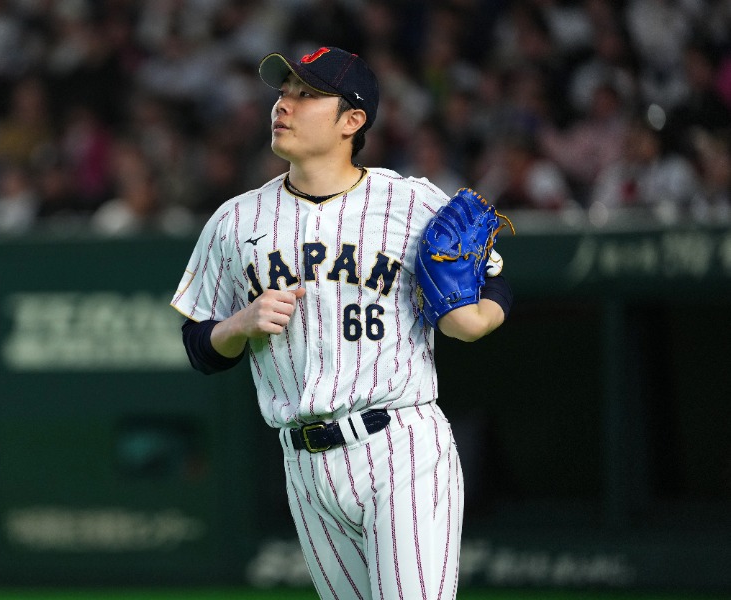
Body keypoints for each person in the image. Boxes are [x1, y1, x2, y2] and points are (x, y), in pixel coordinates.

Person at [170, 46, 512, 599]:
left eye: (306, 95)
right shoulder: (234, 222)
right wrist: (240, 324)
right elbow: (198, 346)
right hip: (304, 465)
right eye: (283, 92)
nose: (284, 104)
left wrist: (479, 317)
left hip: (400, 445)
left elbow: (492, 276)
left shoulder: (410, 202)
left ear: (353, 120)